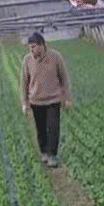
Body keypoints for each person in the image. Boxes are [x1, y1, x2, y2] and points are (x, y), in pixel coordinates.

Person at [20, 32, 74, 168]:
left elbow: (64, 78)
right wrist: (25, 104)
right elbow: (24, 83)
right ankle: (44, 152)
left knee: (53, 128)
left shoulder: (55, 57)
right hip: (36, 101)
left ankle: (52, 155)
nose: (32, 50)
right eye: (30, 47)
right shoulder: (27, 60)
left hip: (53, 100)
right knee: (41, 129)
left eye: (34, 47)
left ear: (42, 45)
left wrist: (67, 97)